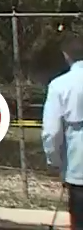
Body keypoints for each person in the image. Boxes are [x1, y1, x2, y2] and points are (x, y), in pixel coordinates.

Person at [43, 35, 83, 228]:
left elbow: (51, 131)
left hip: (79, 168)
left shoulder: (60, 85)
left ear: (66, 56)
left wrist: (54, 161)